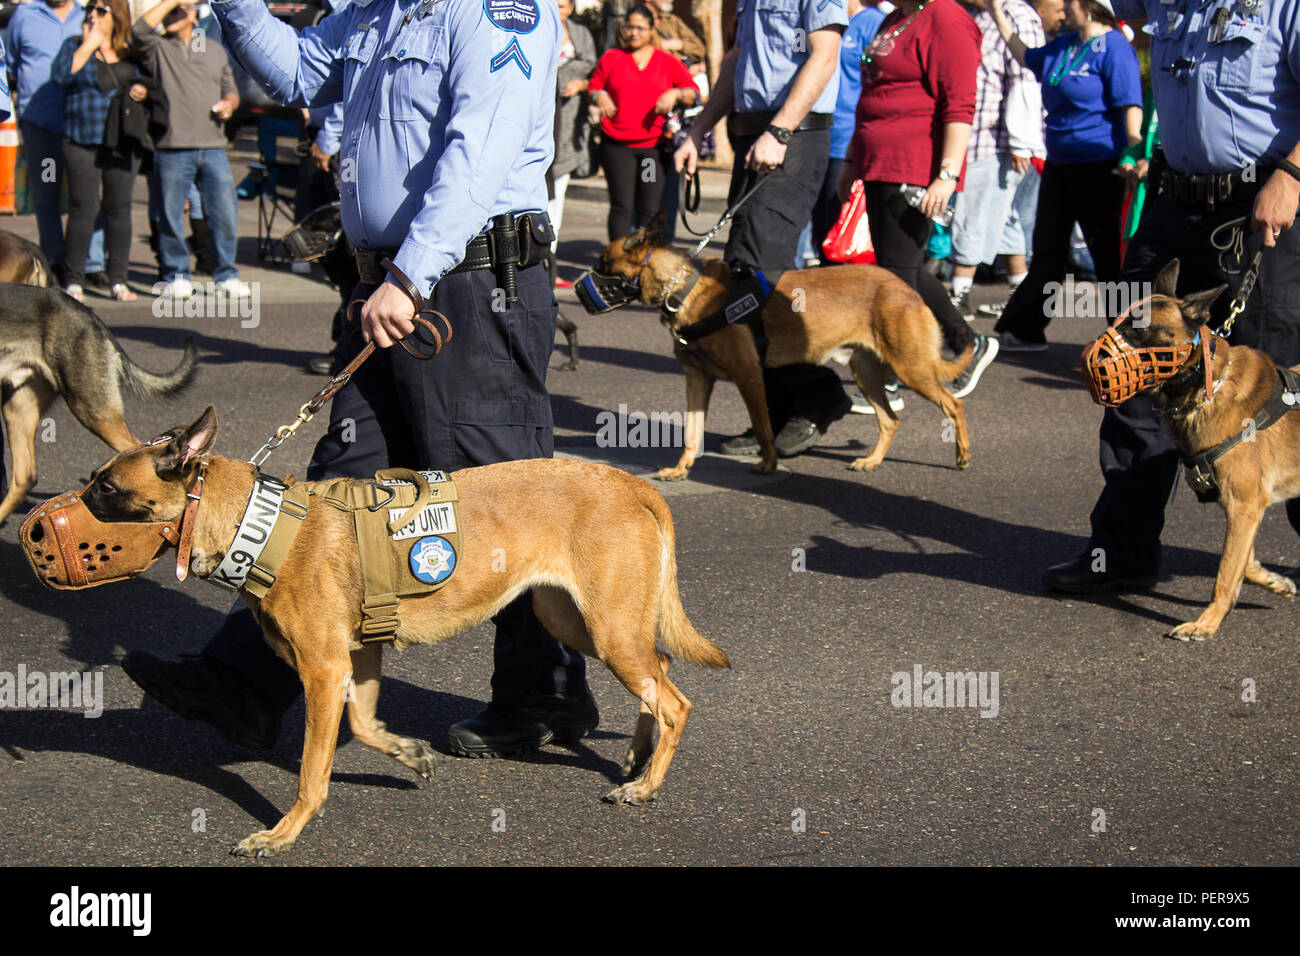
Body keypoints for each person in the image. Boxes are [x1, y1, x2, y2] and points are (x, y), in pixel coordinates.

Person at [122, 0, 601, 761]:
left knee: (502, 495)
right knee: (343, 480)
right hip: (388, 287)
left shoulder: (499, 12)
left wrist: (411, 276)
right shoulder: (377, 12)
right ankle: (245, 683)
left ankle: (545, 690)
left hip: (468, 283)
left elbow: (479, 151)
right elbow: (298, 72)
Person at [1040, 0, 1300, 592]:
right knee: (1132, 371)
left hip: (1264, 201)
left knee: (1275, 393)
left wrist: (1292, 176)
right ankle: (1122, 551)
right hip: (1174, 200)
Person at [675, 0, 851, 460]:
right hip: (755, 132)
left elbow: (824, 55)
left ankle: (818, 398)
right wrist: (698, 130)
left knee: (759, 278)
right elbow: (738, 61)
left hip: (792, 134)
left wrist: (782, 131)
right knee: (743, 277)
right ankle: (773, 414)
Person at [837, 0, 999, 400]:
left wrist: (946, 175)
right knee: (903, 269)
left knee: (896, 279)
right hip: (878, 163)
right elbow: (871, 96)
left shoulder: (945, 17)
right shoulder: (895, 19)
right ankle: (968, 342)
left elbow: (959, 103)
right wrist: (850, 162)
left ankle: (894, 372)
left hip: (914, 169)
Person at [987, 0, 1142, 351]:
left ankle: (1130, 337)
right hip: (1060, 163)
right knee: (1047, 250)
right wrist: (997, 13)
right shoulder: (1063, 45)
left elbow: (1130, 103)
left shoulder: (1113, 46)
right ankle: (1025, 328)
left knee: (1106, 258)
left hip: (1102, 165)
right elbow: (1025, 55)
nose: (1062, 7)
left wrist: (1132, 153)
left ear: (1089, 6)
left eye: (1069, 1)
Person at [132, 0, 248, 300]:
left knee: (224, 212)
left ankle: (226, 274)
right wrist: (173, 3)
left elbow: (231, 91)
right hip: (171, 146)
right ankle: (175, 274)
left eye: (176, 12)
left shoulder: (214, 49)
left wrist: (229, 105)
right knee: (170, 215)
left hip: (213, 146)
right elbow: (140, 29)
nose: (169, 16)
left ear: (192, 14)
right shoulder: (158, 47)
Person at [947, 0, 1045, 323]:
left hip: (997, 140)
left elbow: (1026, 79)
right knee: (1004, 219)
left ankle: (959, 293)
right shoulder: (973, 13)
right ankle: (1019, 290)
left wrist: (1019, 140)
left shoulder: (1017, 14)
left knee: (971, 216)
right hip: (974, 136)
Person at [5, 0, 106, 284]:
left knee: (86, 197)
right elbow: (12, 61)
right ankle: (56, 260)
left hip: (82, 126)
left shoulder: (86, 14)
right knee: (47, 192)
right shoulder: (25, 16)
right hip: (42, 125)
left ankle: (93, 262)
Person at [53, 0, 148, 302]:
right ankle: (74, 280)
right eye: (89, 10)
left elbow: (150, 83)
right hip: (81, 138)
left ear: (116, 15)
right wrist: (88, 44)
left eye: (101, 9)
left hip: (122, 142)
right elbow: (60, 77)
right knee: (83, 208)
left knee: (119, 209)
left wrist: (143, 91)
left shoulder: (130, 52)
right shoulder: (74, 46)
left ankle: (118, 280)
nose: (92, 14)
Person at [588, 4, 698, 241]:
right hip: (618, 148)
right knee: (622, 206)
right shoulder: (612, 58)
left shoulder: (666, 61)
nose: (633, 33)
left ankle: (643, 264)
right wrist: (600, 95)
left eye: (640, 28)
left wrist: (675, 94)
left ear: (652, 29)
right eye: (629, 27)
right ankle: (617, 264)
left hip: (650, 151)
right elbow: (594, 87)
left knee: (649, 207)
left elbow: (692, 92)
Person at [550, 0, 596, 250]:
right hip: (545, 113)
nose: (560, 11)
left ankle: (551, 255)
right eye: (555, 5)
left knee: (558, 192)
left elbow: (594, 71)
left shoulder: (581, 34)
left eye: (564, 6)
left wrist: (580, 84)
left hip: (570, 119)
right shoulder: (540, 28)